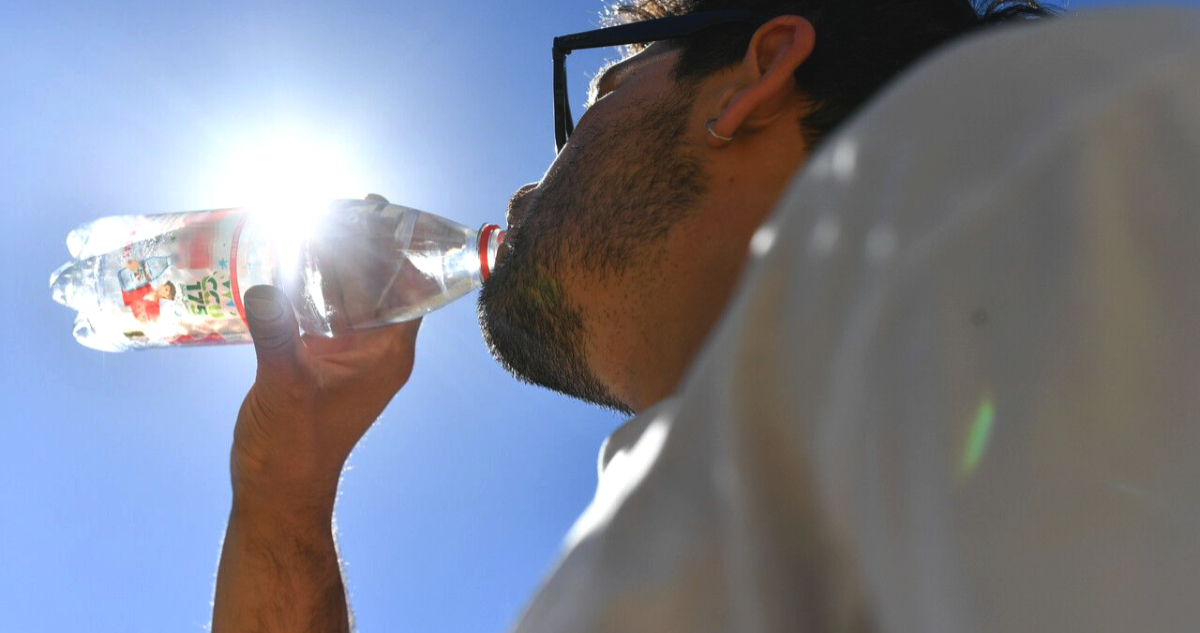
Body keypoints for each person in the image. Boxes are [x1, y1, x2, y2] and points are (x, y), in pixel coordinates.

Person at [211, 1, 1200, 631]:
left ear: (755, 74)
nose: (527, 186)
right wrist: (285, 489)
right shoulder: (695, 496)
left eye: (602, 88)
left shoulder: (1041, 175)